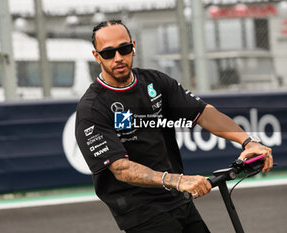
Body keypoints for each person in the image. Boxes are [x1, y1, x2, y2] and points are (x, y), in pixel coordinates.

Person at [75, 20, 273, 233]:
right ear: (96, 56)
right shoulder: (92, 107)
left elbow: (203, 113)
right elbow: (121, 169)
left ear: (133, 46)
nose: (118, 58)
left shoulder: (155, 82)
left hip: (178, 198)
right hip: (139, 210)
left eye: (124, 49)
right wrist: (177, 180)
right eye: (108, 53)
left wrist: (249, 142)